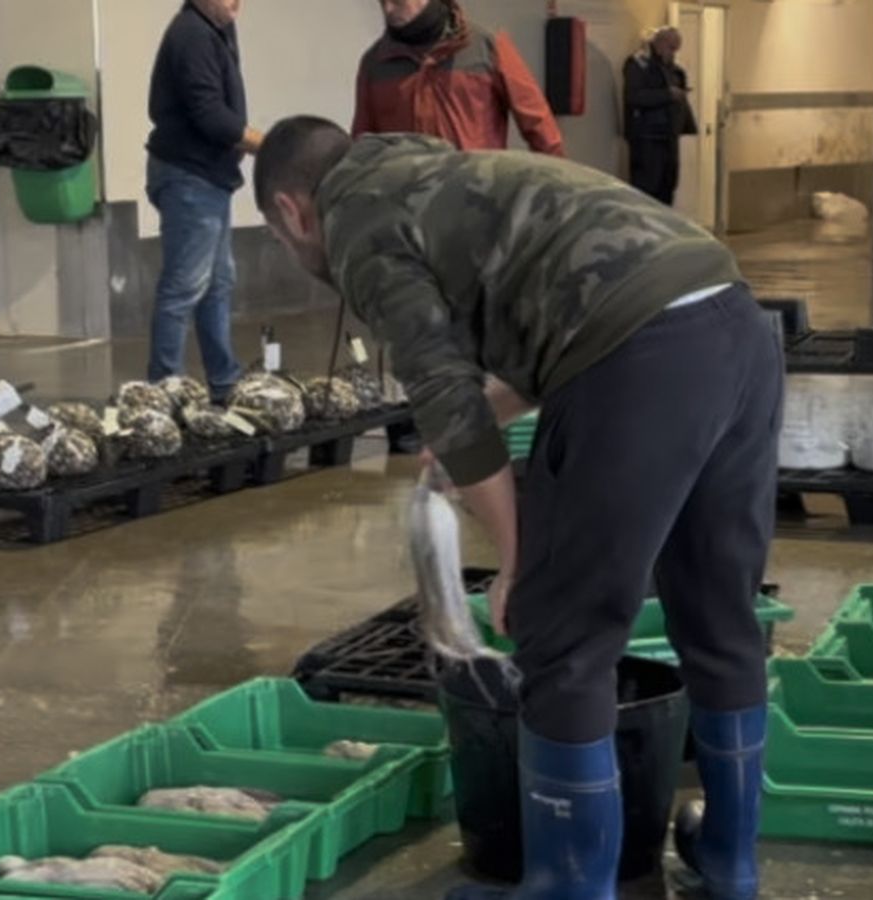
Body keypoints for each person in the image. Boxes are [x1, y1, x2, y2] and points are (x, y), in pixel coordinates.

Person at [255, 117, 781, 900]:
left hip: (642, 353)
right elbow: (561, 300)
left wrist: (518, 553)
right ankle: (732, 862)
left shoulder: (355, 224)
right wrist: (495, 411)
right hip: (735, 324)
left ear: (293, 212)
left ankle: (568, 886)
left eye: (284, 237)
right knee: (719, 612)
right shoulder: (427, 169)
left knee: (563, 637)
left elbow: (447, 402)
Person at [144, 0, 263, 403]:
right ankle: (163, 396)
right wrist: (271, 145)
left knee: (217, 283)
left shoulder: (217, 29)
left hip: (208, 177)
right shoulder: (192, 35)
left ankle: (224, 385)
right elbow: (211, 115)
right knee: (184, 287)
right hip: (188, 177)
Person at [353, 0, 564, 156]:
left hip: (476, 201)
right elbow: (361, 147)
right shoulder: (375, 64)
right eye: (382, 3)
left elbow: (539, 127)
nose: (388, 10)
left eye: (397, 2)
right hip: (407, 206)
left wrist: (559, 196)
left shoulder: (487, 47)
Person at [623, 26, 698, 206]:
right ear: (659, 43)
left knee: (668, 187)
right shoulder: (639, 65)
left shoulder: (675, 71)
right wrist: (667, 94)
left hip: (669, 137)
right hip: (647, 139)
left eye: (676, 49)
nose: (673, 54)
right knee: (647, 192)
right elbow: (634, 96)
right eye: (671, 48)